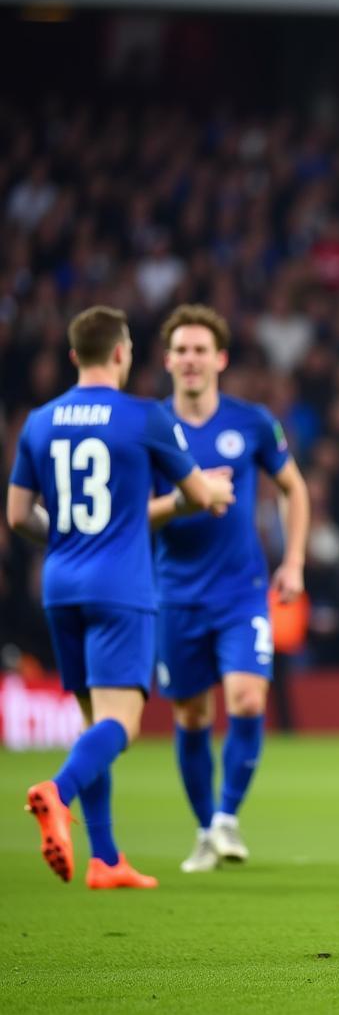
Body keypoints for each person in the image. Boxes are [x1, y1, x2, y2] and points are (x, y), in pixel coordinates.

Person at [8, 305, 232, 888]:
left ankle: (105, 858)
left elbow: (15, 516)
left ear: (73, 355)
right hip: (120, 586)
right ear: (119, 353)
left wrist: (65, 532)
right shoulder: (142, 417)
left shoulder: (39, 420)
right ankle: (56, 791)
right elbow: (190, 494)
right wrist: (208, 490)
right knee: (122, 724)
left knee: (92, 724)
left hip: (59, 585)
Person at [148, 304, 309, 873]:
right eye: (181, 350)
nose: (190, 360)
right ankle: (202, 828)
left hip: (242, 591)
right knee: (191, 717)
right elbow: (133, 518)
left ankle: (226, 819)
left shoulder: (251, 421)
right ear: (168, 360)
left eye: (200, 350)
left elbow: (294, 487)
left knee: (247, 699)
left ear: (219, 359)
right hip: (176, 594)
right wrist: (186, 497)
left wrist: (293, 562)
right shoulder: (149, 427)